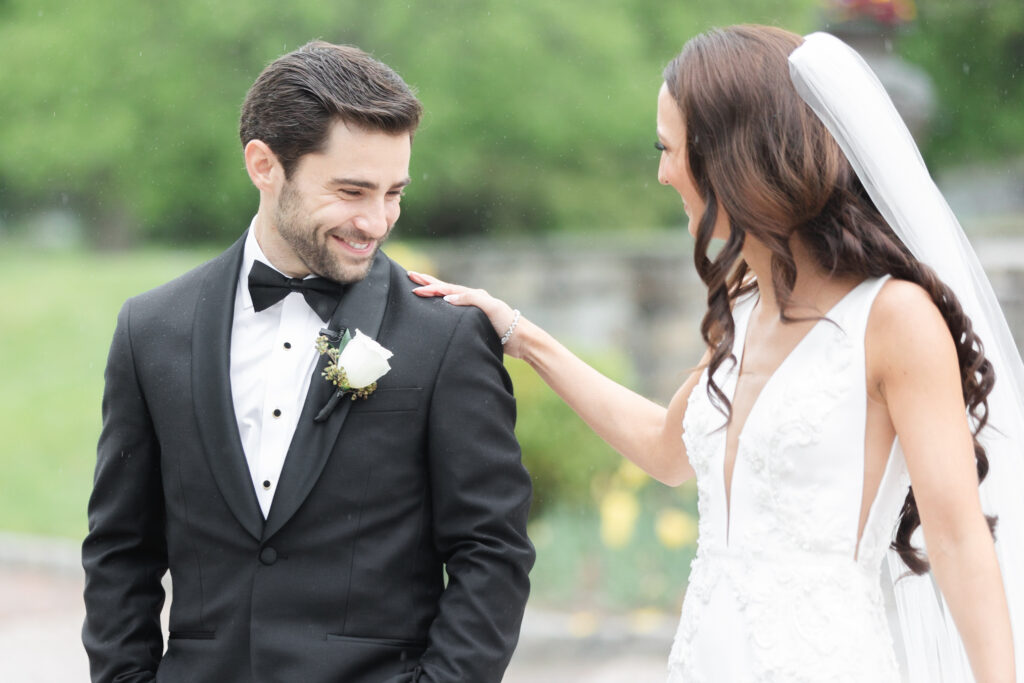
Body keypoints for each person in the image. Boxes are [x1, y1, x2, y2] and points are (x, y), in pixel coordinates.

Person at [409, 25, 1023, 682]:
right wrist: (519, 334)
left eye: (670, 149)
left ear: (736, 158)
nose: (661, 171)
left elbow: (958, 538)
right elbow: (665, 449)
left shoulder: (894, 316)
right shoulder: (748, 305)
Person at [82, 41, 534, 683]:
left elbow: (491, 551)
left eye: (393, 193)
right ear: (265, 165)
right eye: (352, 191)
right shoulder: (150, 330)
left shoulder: (446, 336)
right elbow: (121, 552)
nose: (376, 222)